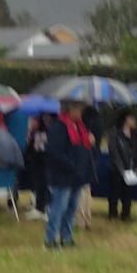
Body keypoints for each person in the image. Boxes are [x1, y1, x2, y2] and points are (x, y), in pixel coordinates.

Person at [44, 100, 96, 249]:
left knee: (72, 209)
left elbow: (83, 148)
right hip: (62, 175)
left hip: (77, 176)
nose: (81, 113)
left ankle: (66, 237)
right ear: (69, 109)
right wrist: (71, 165)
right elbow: (54, 151)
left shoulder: (80, 127)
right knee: (58, 208)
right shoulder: (59, 127)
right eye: (79, 109)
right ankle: (50, 239)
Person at [107, 111, 137, 221]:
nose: (134, 121)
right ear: (126, 120)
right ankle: (113, 214)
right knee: (114, 192)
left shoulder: (135, 135)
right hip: (117, 169)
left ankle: (126, 214)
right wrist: (121, 169)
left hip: (131, 168)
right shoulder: (115, 133)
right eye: (132, 119)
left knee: (128, 193)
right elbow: (114, 152)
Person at [22, 115, 52, 220]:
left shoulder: (46, 132)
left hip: (45, 161)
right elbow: (31, 148)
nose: (31, 123)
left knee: (45, 185)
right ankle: (39, 207)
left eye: (34, 121)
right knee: (38, 185)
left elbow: (42, 148)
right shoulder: (34, 133)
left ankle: (45, 208)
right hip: (36, 162)